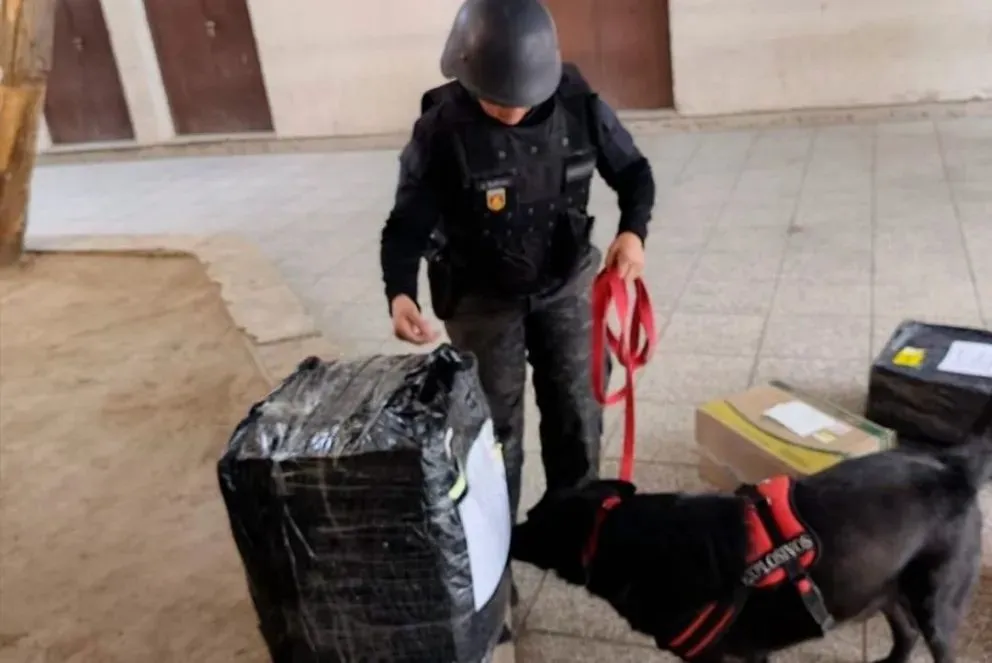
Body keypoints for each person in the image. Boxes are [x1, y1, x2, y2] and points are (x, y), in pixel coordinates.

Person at [379, 0, 655, 623]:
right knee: (491, 437)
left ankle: (576, 534)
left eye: (524, 97)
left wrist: (633, 234)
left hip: (568, 283)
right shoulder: (441, 129)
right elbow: (406, 227)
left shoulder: (579, 104)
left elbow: (635, 174)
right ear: (468, 72)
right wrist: (400, 292)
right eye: (499, 99)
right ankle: (493, 565)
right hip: (482, 300)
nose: (513, 111)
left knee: (577, 413)